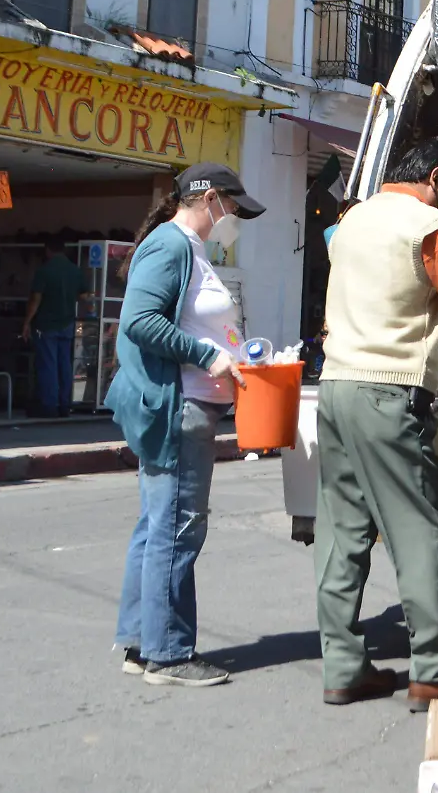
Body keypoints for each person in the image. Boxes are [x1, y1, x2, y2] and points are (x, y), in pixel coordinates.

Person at [316, 140, 438, 709]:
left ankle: (344, 667)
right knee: (420, 530)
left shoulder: (350, 223)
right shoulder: (433, 231)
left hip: (334, 387)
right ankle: (437, 672)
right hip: (387, 394)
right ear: (437, 178)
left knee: (341, 531)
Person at [107, 163, 264, 686]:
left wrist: (234, 352)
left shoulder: (191, 250)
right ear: (211, 198)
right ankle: (169, 654)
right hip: (180, 408)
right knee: (177, 528)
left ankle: (139, 642)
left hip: (190, 406)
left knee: (157, 528)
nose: (235, 220)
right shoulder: (171, 246)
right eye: (234, 209)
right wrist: (209, 355)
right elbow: (140, 321)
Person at [21, 237, 91, 417]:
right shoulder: (75, 271)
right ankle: (65, 404)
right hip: (67, 323)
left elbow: (35, 300)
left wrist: (27, 322)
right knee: (65, 365)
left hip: (46, 325)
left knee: (48, 365)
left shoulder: (44, 271)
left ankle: (49, 405)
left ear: (47, 250)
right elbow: (85, 297)